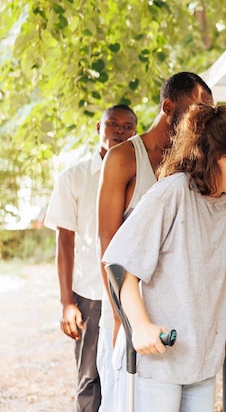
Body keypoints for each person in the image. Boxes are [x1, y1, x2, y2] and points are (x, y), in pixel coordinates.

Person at [101, 104, 226, 411]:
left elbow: (222, 258)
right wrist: (140, 326)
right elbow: (121, 266)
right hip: (159, 357)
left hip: (201, 355)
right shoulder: (172, 193)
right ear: (218, 156)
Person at [97, 72, 213, 412]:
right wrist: (124, 319)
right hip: (128, 309)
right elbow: (109, 250)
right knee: (123, 402)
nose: (205, 119)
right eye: (198, 109)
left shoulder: (193, 166)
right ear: (168, 106)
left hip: (173, 314)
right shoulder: (123, 158)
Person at [44, 104, 137, 412]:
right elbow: (65, 241)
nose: (120, 131)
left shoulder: (143, 175)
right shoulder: (73, 178)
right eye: (113, 124)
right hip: (92, 294)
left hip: (136, 291)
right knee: (90, 378)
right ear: (99, 128)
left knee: (133, 375)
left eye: (128, 126)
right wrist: (66, 301)